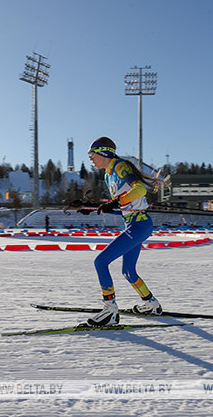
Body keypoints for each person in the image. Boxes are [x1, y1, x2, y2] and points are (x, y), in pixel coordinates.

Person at [85, 136, 163, 326]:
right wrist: (91, 207)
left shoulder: (120, 167)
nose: (90, 158)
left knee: (100, 262)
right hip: (132, 225)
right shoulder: (108, 174)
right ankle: (151, 304)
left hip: (140, 224)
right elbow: (123, 201)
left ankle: (110, 310)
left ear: (103, 152)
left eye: (92, 154)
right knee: (128, 271)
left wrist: (115, 203)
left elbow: (139, 190)